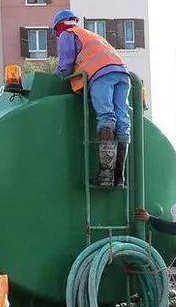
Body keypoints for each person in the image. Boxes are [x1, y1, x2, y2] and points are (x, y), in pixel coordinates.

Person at [52, 9, 131, 189]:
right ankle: (120, 178)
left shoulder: (67, 33)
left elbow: (65, 66)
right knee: (123, 123)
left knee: (106, 118)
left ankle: (105, 175)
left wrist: (55, 80)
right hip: (123, 74)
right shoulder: (91, 35)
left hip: (100, 74)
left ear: (58, 26)